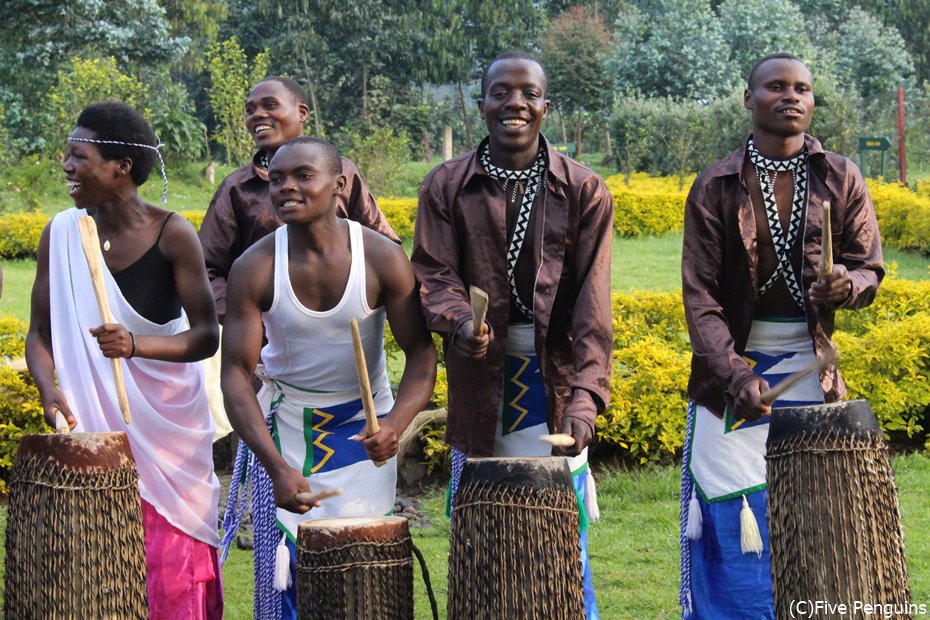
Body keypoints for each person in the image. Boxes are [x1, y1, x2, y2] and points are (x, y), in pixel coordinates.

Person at [679, 53, 884, 619]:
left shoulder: (840, 176)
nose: (791, 96)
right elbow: (700, 298)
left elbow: (870, 266)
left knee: (819, 522)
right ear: (749, 99)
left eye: (802, 88)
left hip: (812, 375)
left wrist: (848, 286)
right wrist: (735, 373)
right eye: (776, 86)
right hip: (732, 375)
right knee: (732, 514)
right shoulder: (716, 184)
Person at [411, 51, 613, 619]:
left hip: (555, 379)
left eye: (528, 93)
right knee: (482, 535)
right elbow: (432, 272)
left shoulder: (584, 190)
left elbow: (593, 308)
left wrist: (585, 400)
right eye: (500, 93)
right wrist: (459, 321)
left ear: (546, 106)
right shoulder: (446, 186)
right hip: (482, 379)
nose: (514, 104)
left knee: (559, 539)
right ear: (481, 106)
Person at [220, 136, 436, 619]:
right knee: (298, 569)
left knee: (365, 567)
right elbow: (235, 376)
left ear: (339, 186)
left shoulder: (380, 257)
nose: (286, 188)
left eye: (302, 176)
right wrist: (275, 466)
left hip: (367, 426)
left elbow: (422, 355)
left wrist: (396, 425)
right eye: (276, 179)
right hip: (290, 427)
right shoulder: (253, 267)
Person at [25, 102, 223, 618]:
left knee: (168, 569)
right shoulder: (61, 234)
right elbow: (40, 334)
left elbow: (205, 336)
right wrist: (50, 394)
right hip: (93, 436)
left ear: (121, 167)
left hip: (167, 433)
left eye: (79, 156)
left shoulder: (172, 232)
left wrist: (136, 346)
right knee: (94, 575)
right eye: (66, 155)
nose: (67, 166)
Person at [199, 76, 399, 323]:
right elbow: (206, 269)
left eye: (270, 105)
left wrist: (361, 307)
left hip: (347, 336)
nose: (257, 115)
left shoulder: (341, 173)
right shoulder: (237, 188)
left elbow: (385, 247)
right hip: (264, 351)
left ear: (302, 112)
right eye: (250, 110)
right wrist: (247, 319)